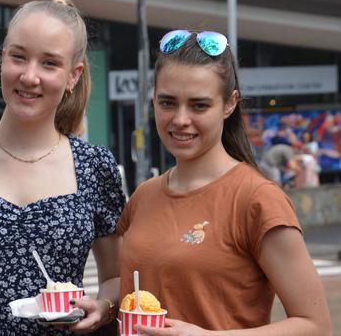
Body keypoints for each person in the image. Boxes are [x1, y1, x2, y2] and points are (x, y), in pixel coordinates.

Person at [0, 0, 125, 335]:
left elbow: (116, 276)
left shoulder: (94, 166)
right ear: (2, 58)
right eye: (18, 57)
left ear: (73, 76)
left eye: (49, 63)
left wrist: (103, 308)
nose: (29, 76)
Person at [117, 30, 332, 335]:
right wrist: (104, 304)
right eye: (167, 102)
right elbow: (136, 285)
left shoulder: (256, 199)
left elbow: (317, 326)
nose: (180, 119)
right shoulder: (144, 195)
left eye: (199, 105)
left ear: (230, 104)